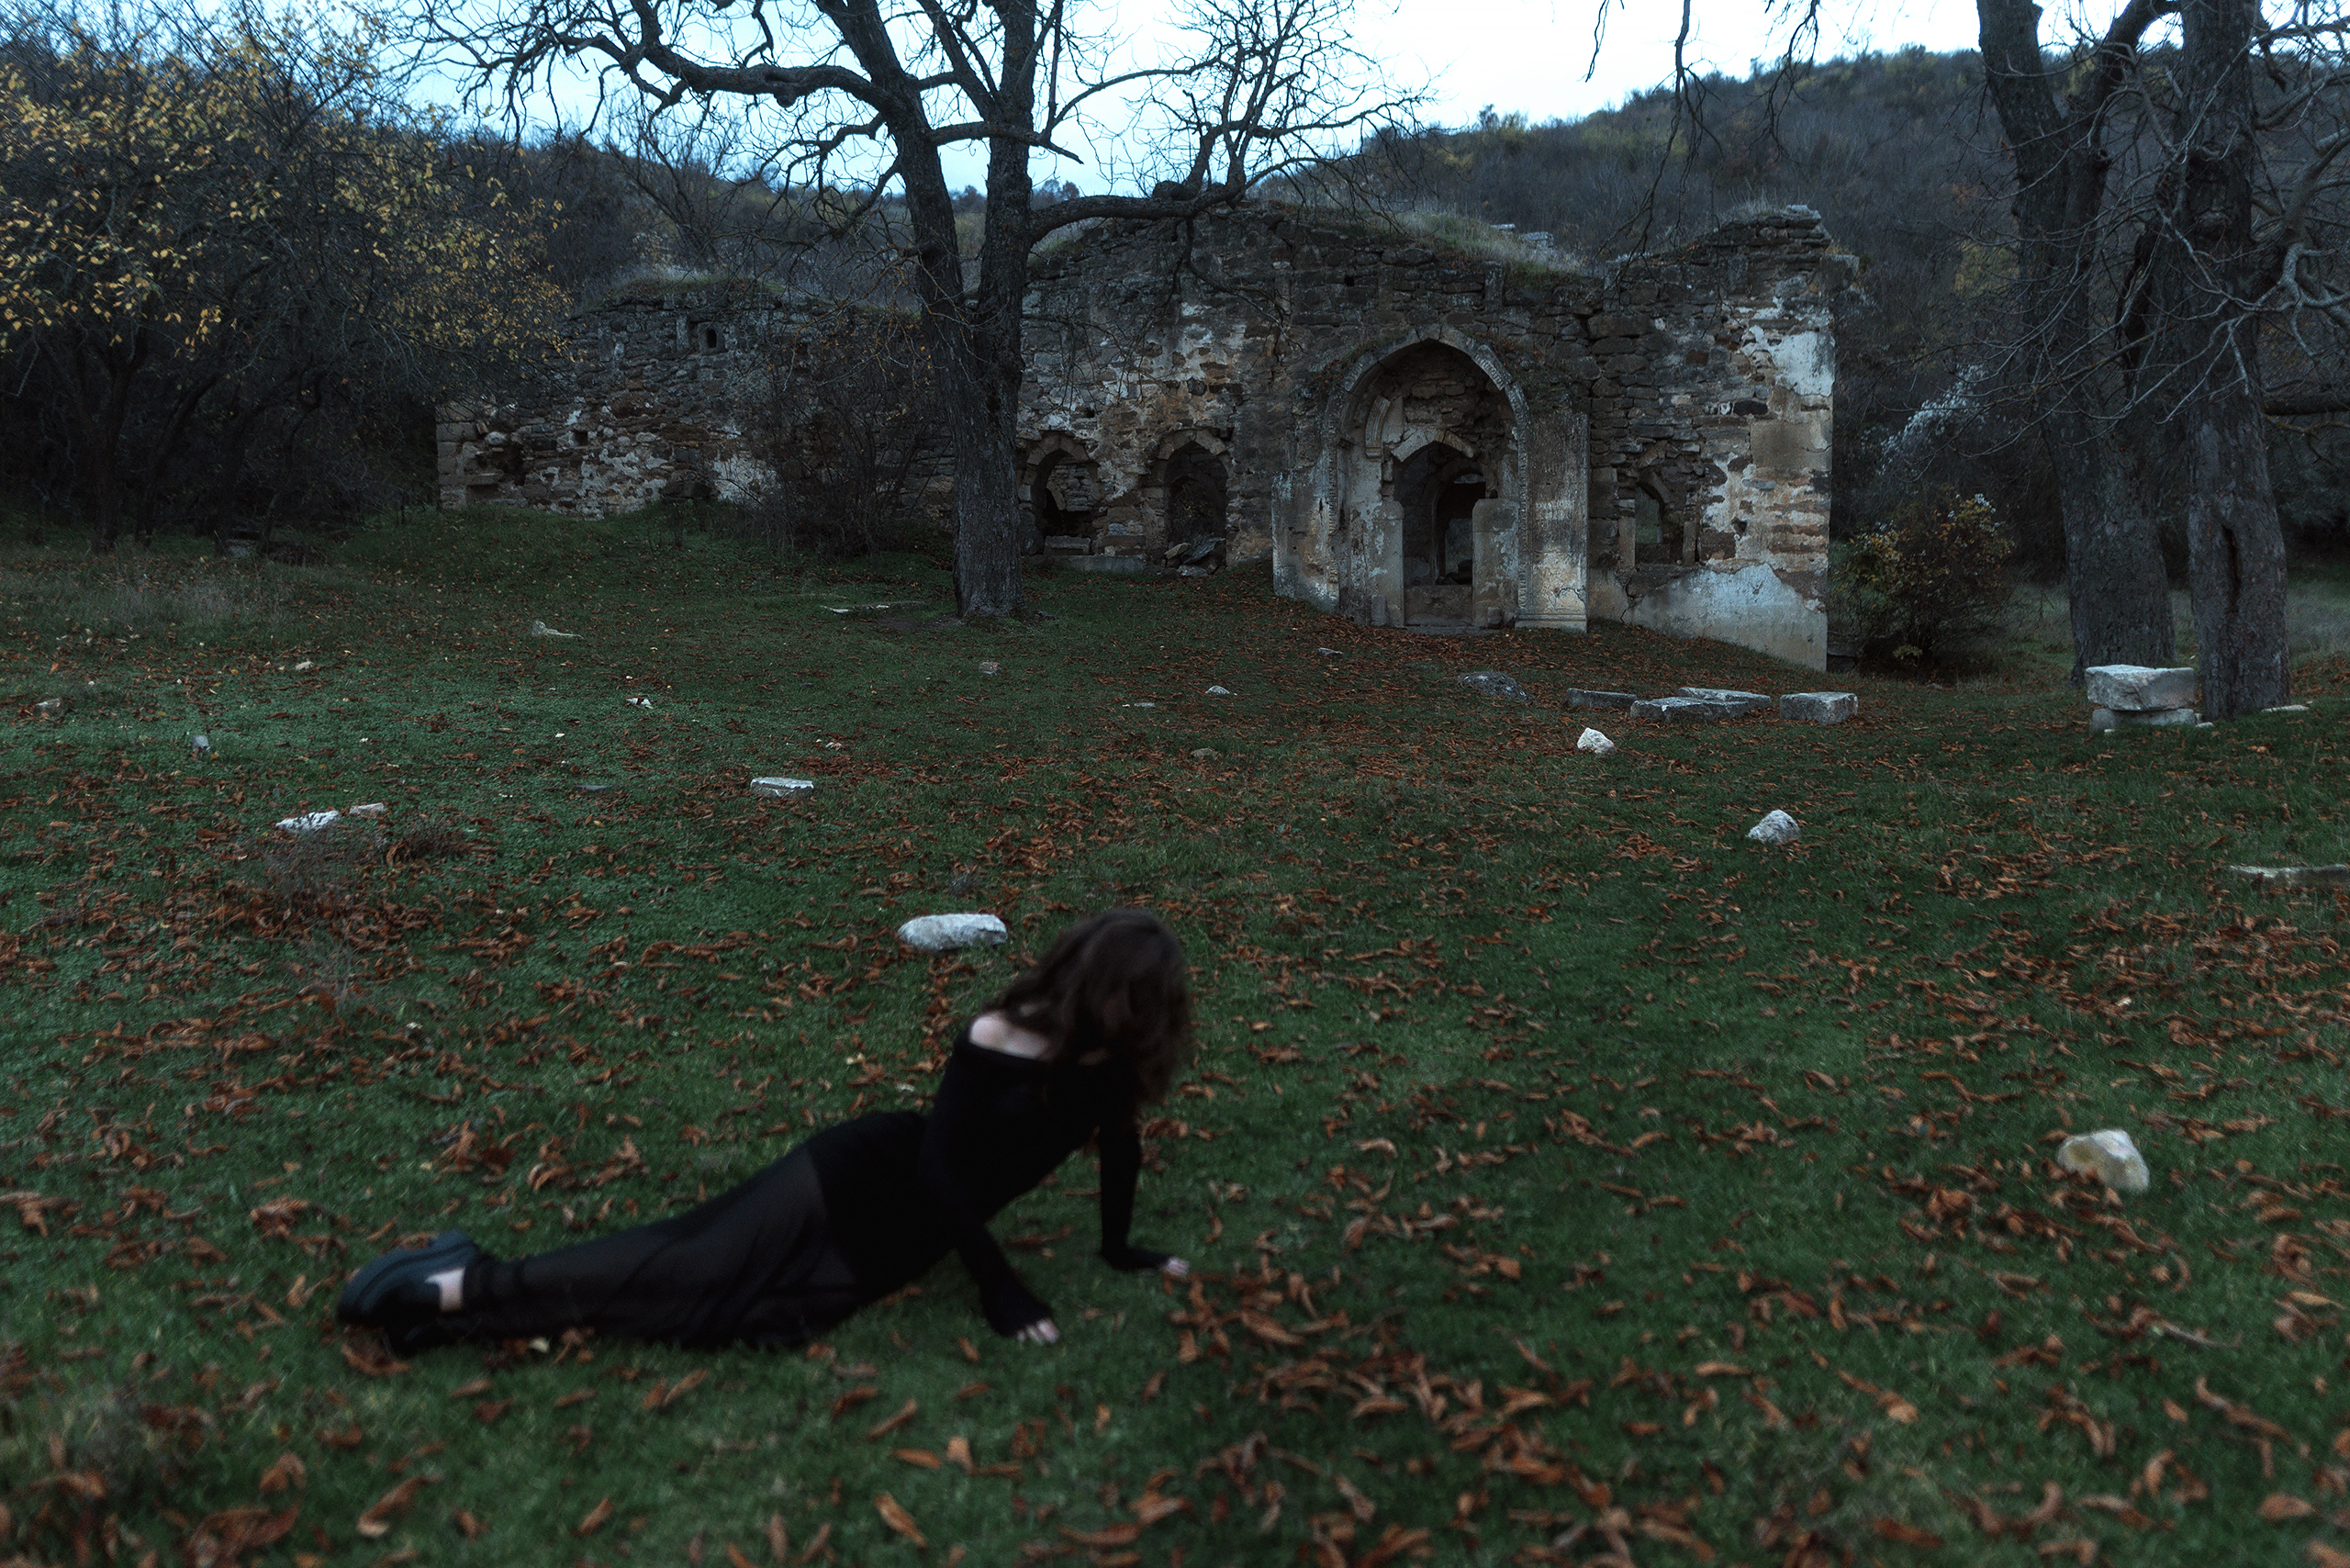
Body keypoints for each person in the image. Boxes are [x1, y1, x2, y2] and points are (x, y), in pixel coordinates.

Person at [338, 909, 1194, 1355]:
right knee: (687, 1264)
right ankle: (456, 1284)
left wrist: (1119, 1249)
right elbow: (939, 1168)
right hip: (862, 1179)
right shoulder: (1000, 1035)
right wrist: (1000, 1289)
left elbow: (1120, 1145)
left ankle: (455, 1319)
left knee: (739, 1318)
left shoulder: (1105, 1063)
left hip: (903, 1241)